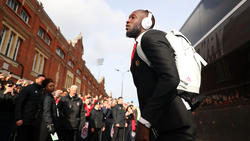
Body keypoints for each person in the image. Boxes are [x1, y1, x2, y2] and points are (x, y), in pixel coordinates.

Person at [126, 10, 196, 141]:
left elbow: (170, 78)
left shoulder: (150, 37)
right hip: (161, 127)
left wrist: (145, 120)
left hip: (175, 128)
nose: (127, 20)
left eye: (132, 17)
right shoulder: (141, 44)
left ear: (146, 22)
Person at [15, 74, 46, 141]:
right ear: (36, 79)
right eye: (41, 80)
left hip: (35, 121)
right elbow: (19, 103)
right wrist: (18, 118)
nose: (42, 82)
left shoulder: (42, 91)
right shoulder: (28, 88)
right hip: (24, 120)